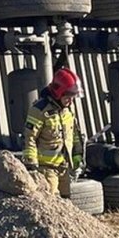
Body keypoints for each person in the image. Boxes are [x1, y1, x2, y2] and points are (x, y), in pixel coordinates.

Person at [22, 68, 84, 197]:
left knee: (66, 202)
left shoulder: (68, 110)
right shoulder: (39, 110)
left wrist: (77, 155)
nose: (71, 101)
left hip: (64, 167)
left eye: (73, 98)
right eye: (68, 97)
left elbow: (74, 134)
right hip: (46, 168)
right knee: (53, 202)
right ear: (58, 93)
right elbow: (30, 138)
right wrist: (31, 164)